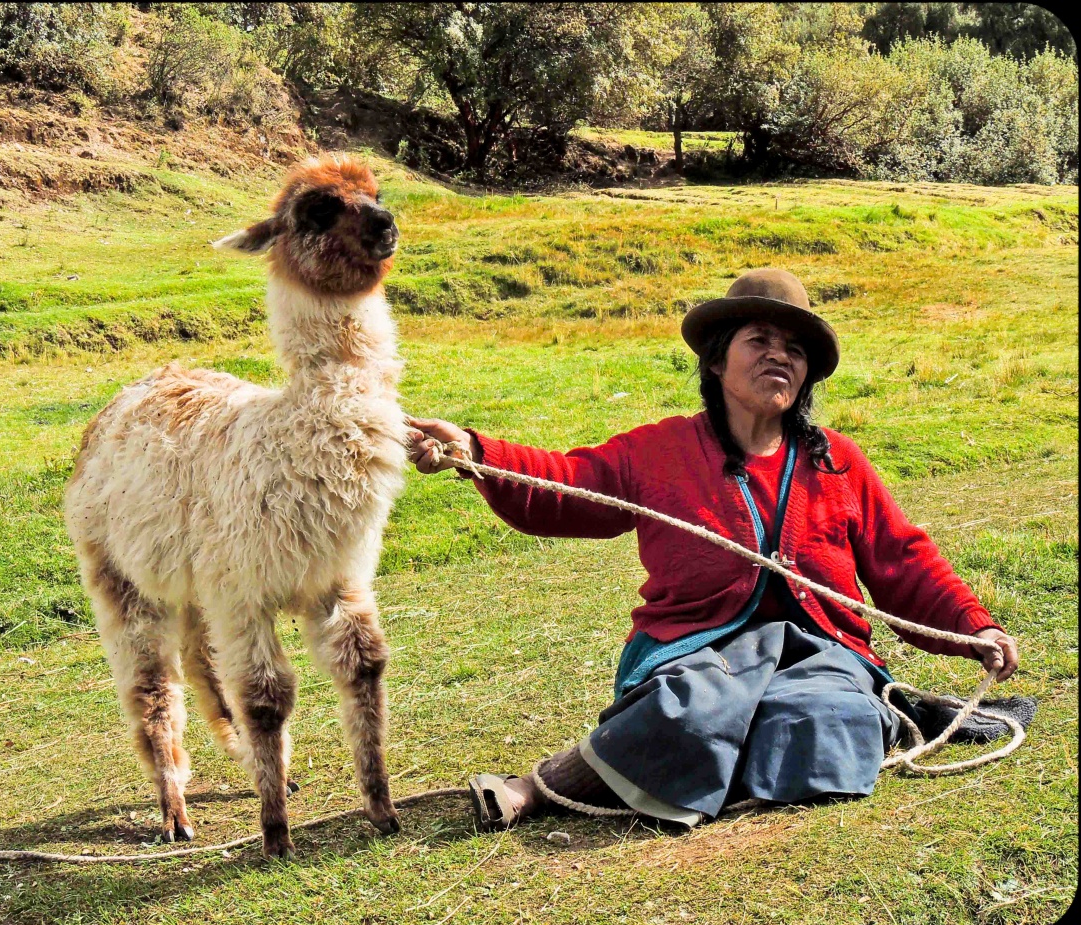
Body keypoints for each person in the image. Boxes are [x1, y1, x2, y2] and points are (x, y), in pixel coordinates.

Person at [405, 268, 1020, 832]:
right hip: (695, 656)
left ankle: (711, 760)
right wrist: (474, 452)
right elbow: (566, 486)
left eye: (795, 349)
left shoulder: (836, 462)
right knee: (697, 710)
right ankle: (536, 788)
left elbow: (902, 558)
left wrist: (973, 627)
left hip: (820, 656)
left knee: (830, 716)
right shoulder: (659, 451)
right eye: (759, 340)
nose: (779, 356)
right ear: (717, 360)